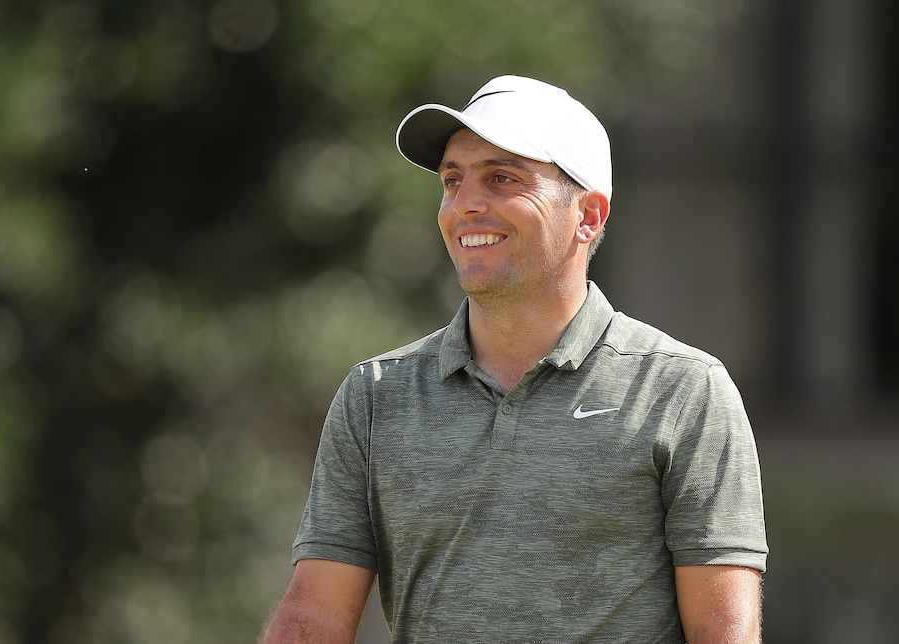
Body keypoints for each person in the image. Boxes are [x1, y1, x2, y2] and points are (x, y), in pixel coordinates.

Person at [261, 75, 768, 643]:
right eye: (453, 181)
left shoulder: (684, 391)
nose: (466, 204)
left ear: (589, 216)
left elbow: (724, 633)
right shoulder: (377, 393)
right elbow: (314, 618)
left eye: (503, 178)